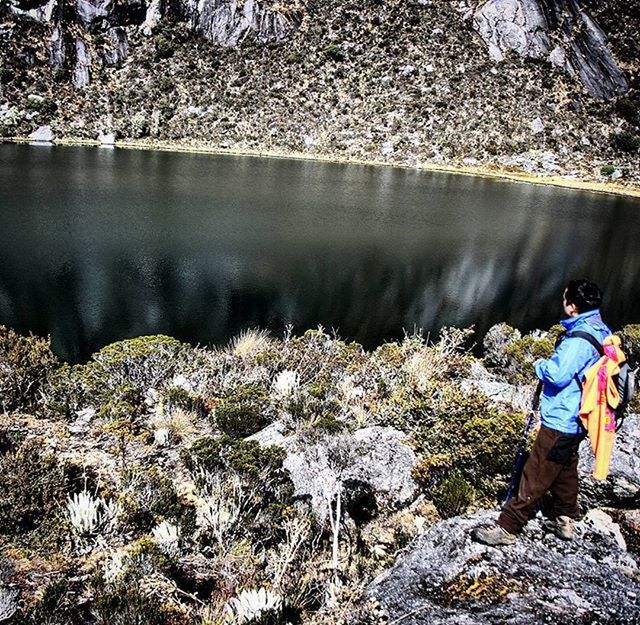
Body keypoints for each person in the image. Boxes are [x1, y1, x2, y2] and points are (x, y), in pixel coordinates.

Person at [473, 279, 610, 545]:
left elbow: (557, 375)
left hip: (563, 415)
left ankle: (508, 527)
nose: (562, 301)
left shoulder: (577, 340)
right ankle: (565, 518)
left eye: (565, 298)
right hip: (580, 416)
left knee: (536, 470)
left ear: (572, 307)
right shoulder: (599, 328)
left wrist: (539, 365)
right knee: (565, 466)